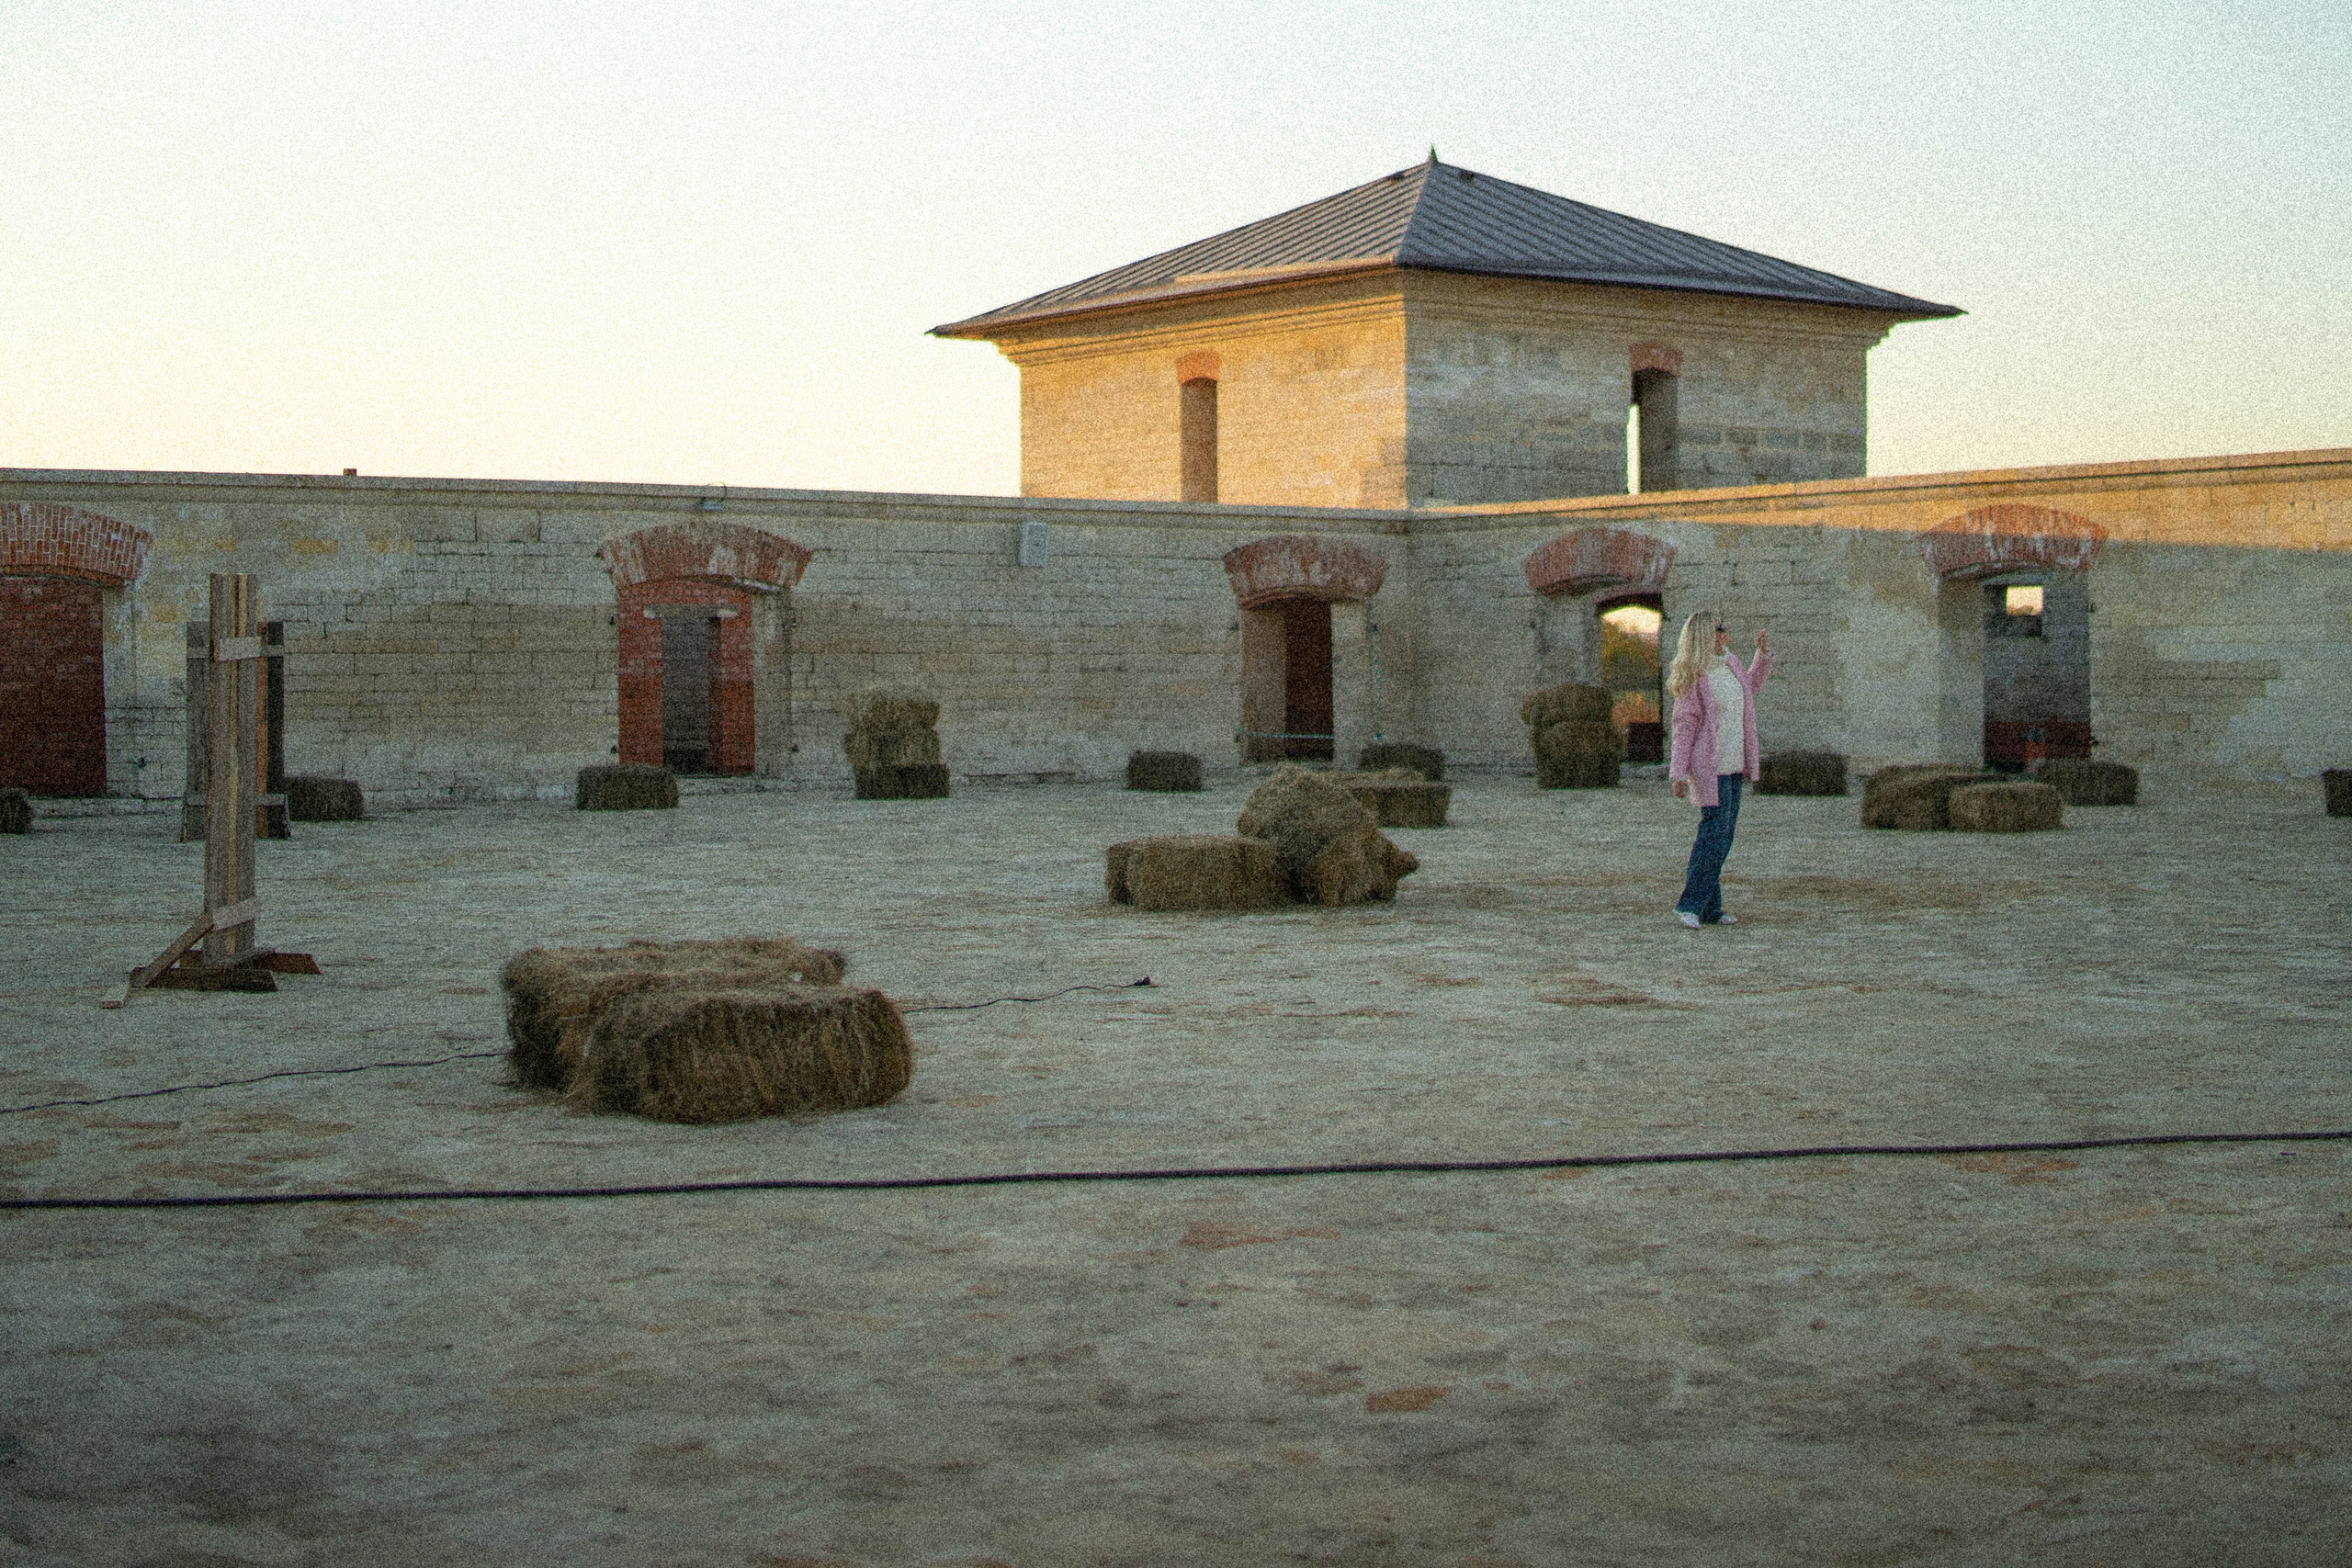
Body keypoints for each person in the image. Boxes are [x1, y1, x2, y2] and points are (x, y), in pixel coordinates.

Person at [1667, 610, 1771, 928]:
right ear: (1704, 636)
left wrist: (1762, 657)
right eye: (1719, 628)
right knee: (1713, 835)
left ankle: (1710, 908)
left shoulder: (1730, 663)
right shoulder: (1694, 675)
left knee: (1724, 837)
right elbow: (1684, 726)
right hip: (1709, 768)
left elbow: (1750, 687)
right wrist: (1678, 771)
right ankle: (1689, 905)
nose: (1725, 632)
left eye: (1723, 626)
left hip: (1734, 763)